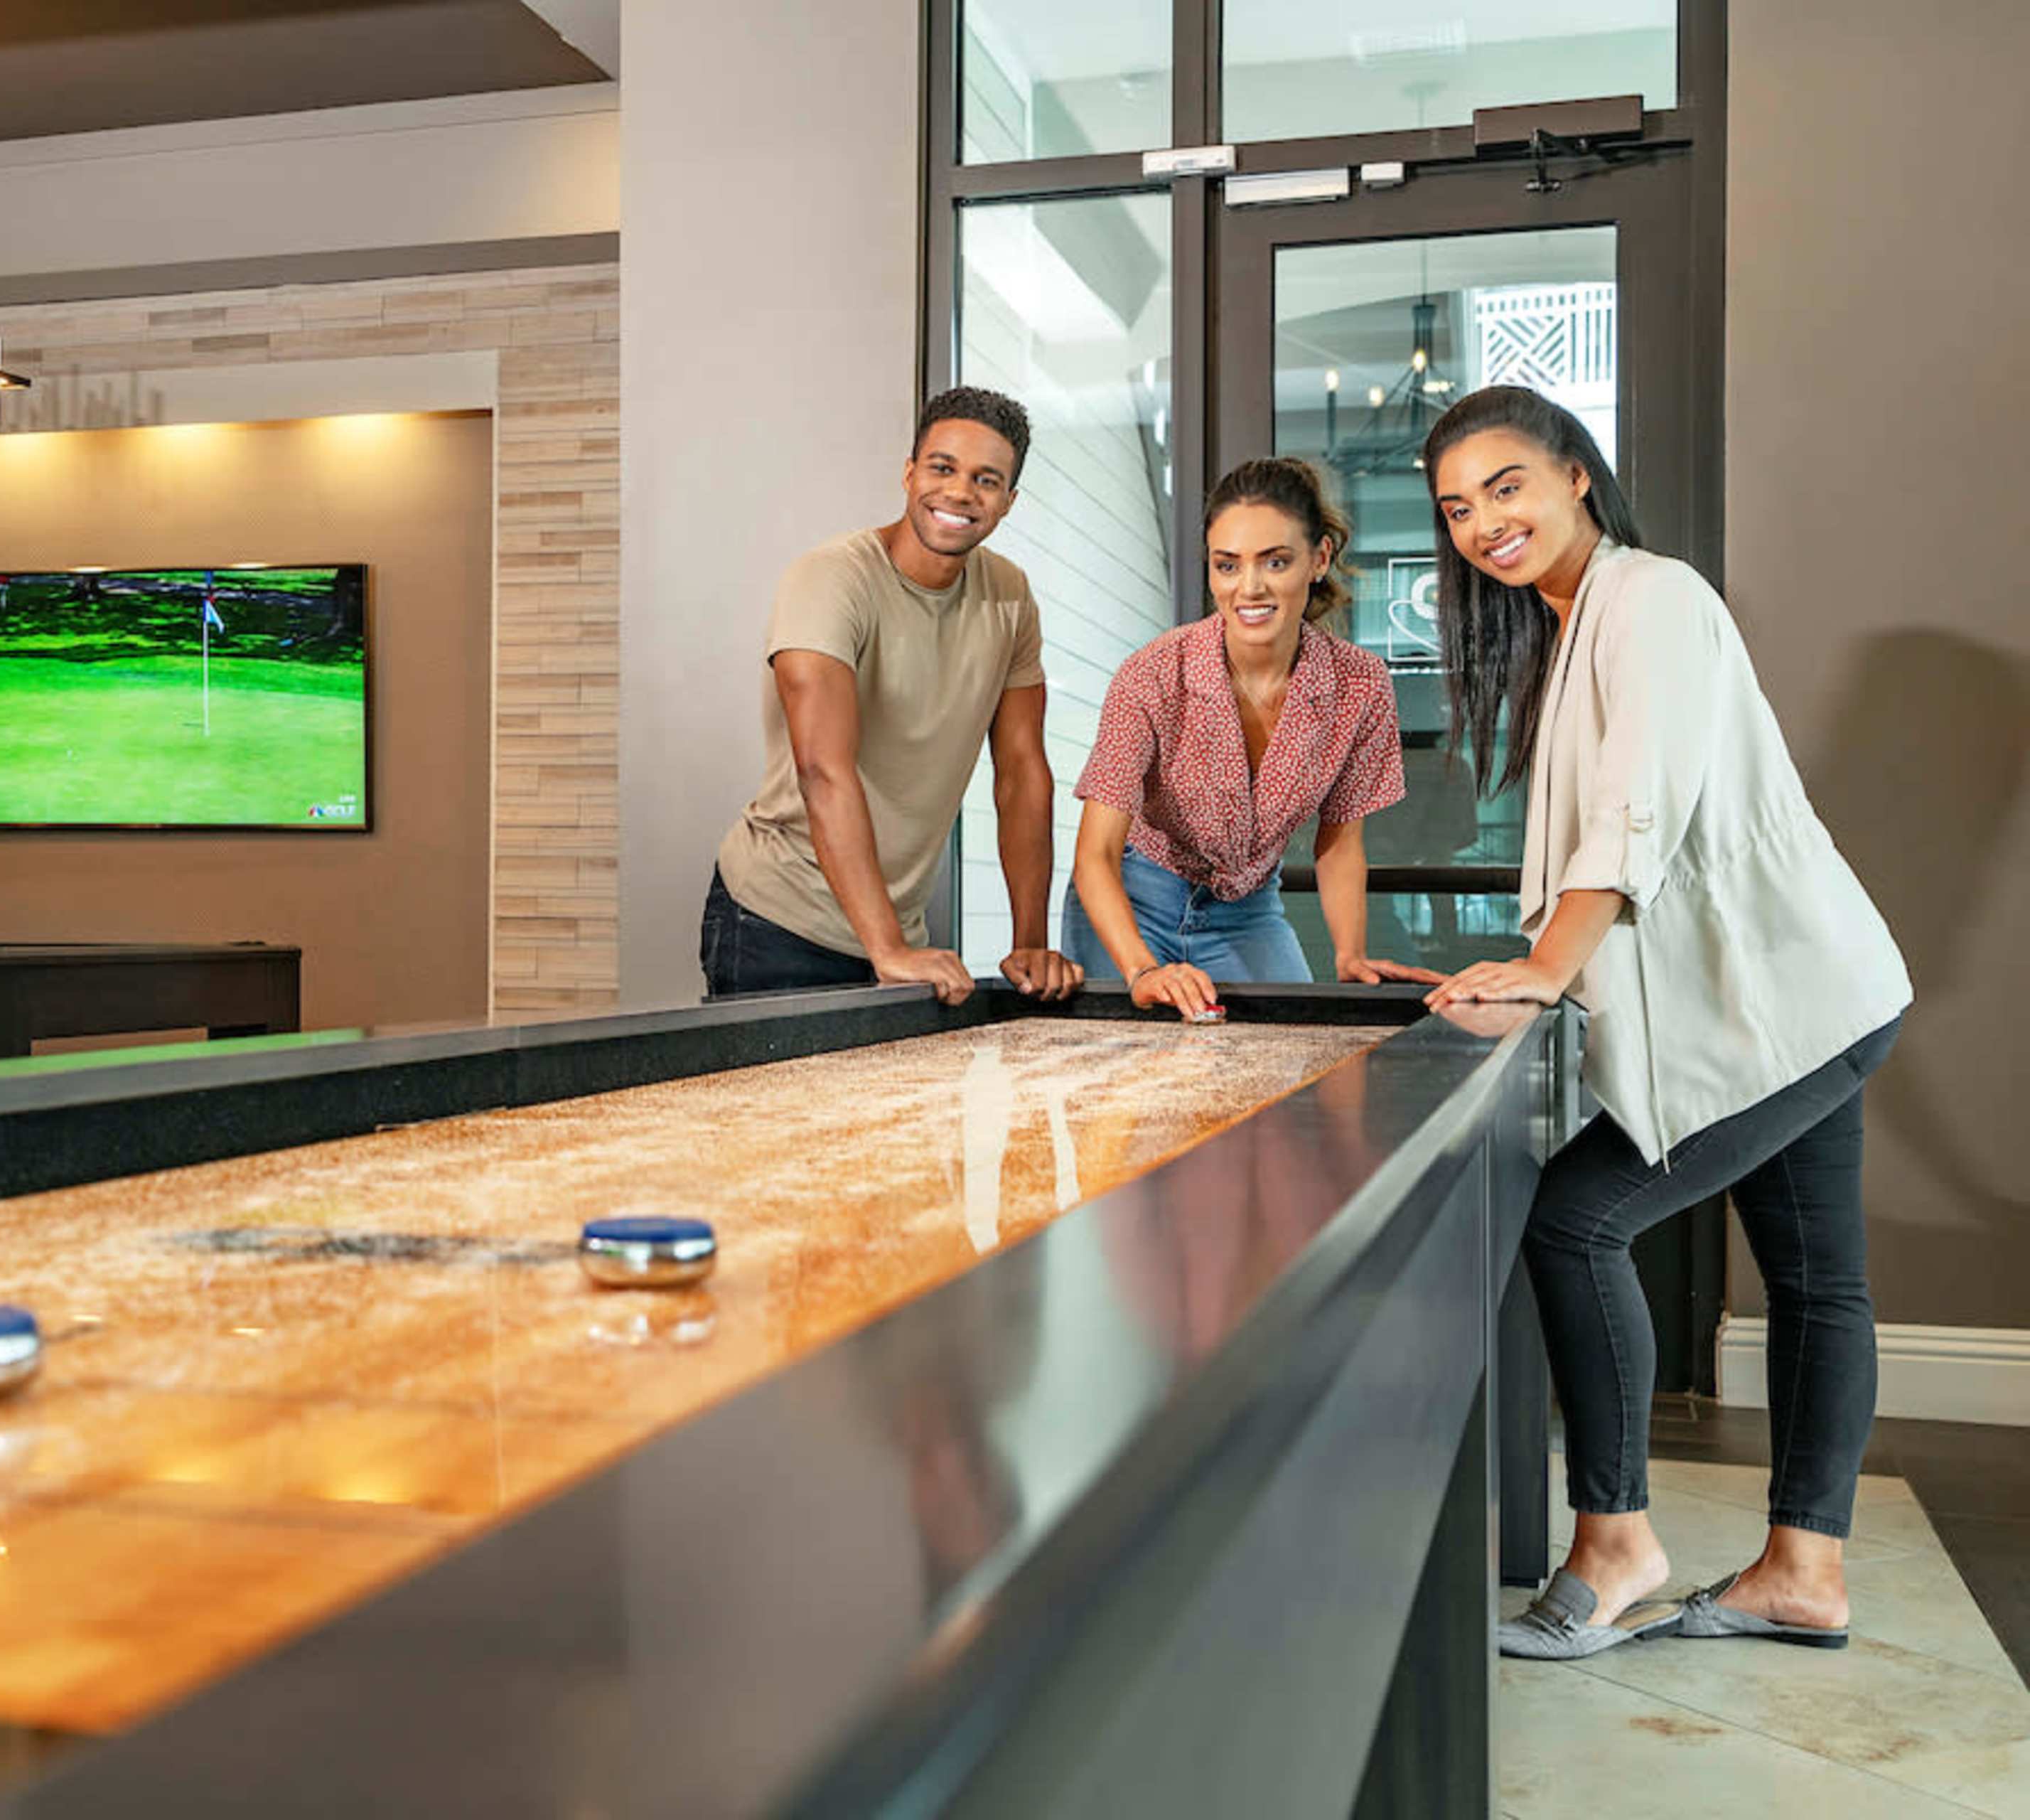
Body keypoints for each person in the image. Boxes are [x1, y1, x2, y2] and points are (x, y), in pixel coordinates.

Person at [1414, 386, 1911, 1661]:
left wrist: (1549, 963)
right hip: (1792, 1001)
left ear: (1578, 474)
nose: (1485, 523)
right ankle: (1804, 1574)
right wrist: (1540, 957)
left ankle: (1618, 1541)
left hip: (1799, 999)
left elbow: (1638, 808)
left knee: (1577, 1221)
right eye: (1458, 506)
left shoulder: (1658, 597)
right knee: (1816, 1284)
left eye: (1508, 486)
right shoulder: (1570, 621)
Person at [702, 387, 1082, 1005]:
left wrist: (1031, 943)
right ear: (909, 474)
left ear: (1009, 502)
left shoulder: (1010, 596)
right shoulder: (830, 581)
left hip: (895, 934)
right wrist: (887, 950)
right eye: (942, 468)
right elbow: (823, 770)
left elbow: (1021, 775)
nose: (960, 493)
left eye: (986, 480)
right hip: (776, 924)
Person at [1065, 457, 1437, 1019]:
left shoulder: (1361, 686)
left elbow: (1339, 842)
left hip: (1249, 911)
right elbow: (1094, 855)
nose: (1250, 587)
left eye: (1276, 561)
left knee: (1300, 1059)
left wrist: (1350, 953)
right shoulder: (1152, 674)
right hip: (1135, 900)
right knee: (1124, 1084)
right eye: (1228, 565)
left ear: (1319, 560)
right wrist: (1142, 970)